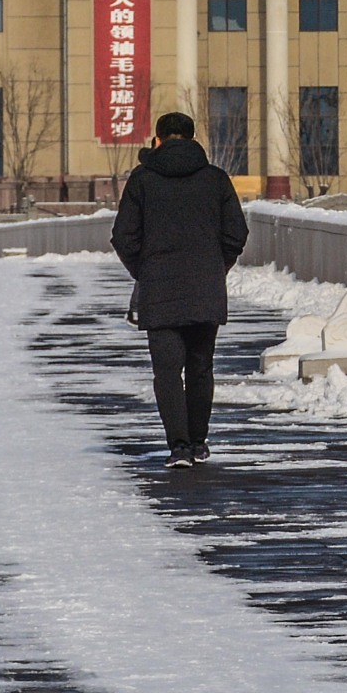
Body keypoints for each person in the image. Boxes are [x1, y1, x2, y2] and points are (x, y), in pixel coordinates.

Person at [112, 109, 248, 469]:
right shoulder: (216, 179)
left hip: (160, 288)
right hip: (205, 286)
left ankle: (179, 447)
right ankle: (200, 441)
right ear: (191, 138)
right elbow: (237, 233)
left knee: (167, 371)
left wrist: (145, 270)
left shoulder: (142, 180)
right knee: (201, 366)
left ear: (157, 140)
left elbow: (122, 236)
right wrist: (217, 267)